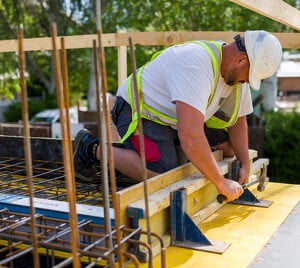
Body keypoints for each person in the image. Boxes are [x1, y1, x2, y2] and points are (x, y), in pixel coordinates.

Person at [73, 30, 282, 202]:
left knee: (229, 149)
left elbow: (238, 121)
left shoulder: (236, 72)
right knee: (164, 174)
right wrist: (221, 183)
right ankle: (91, 147)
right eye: (248, 77)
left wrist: (245, 164)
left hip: (172, 116)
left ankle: (158, 150)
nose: (247, 83)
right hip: (139, 111)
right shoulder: (196, 65)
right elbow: (190, 135)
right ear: (241, 59)